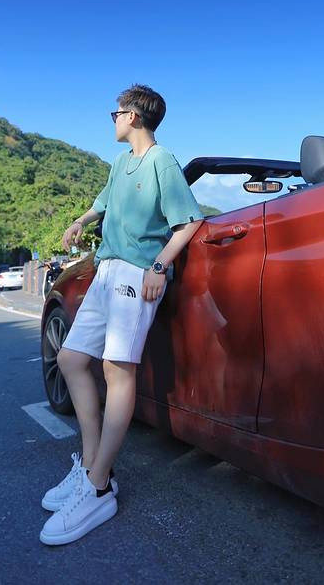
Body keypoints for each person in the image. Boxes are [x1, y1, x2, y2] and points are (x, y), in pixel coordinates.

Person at [39, 84, 204, 546]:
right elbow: (103, 204)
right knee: (71, 359)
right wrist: (79, 221)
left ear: (133, 116)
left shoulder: (162, 161)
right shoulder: (119, 163)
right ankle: (92, 463)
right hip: (106, 270)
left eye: (116, 113)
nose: (112, 120)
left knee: (117, 368)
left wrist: (159, 265)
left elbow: (189, 221)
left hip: (136, 272)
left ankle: (97, 486)